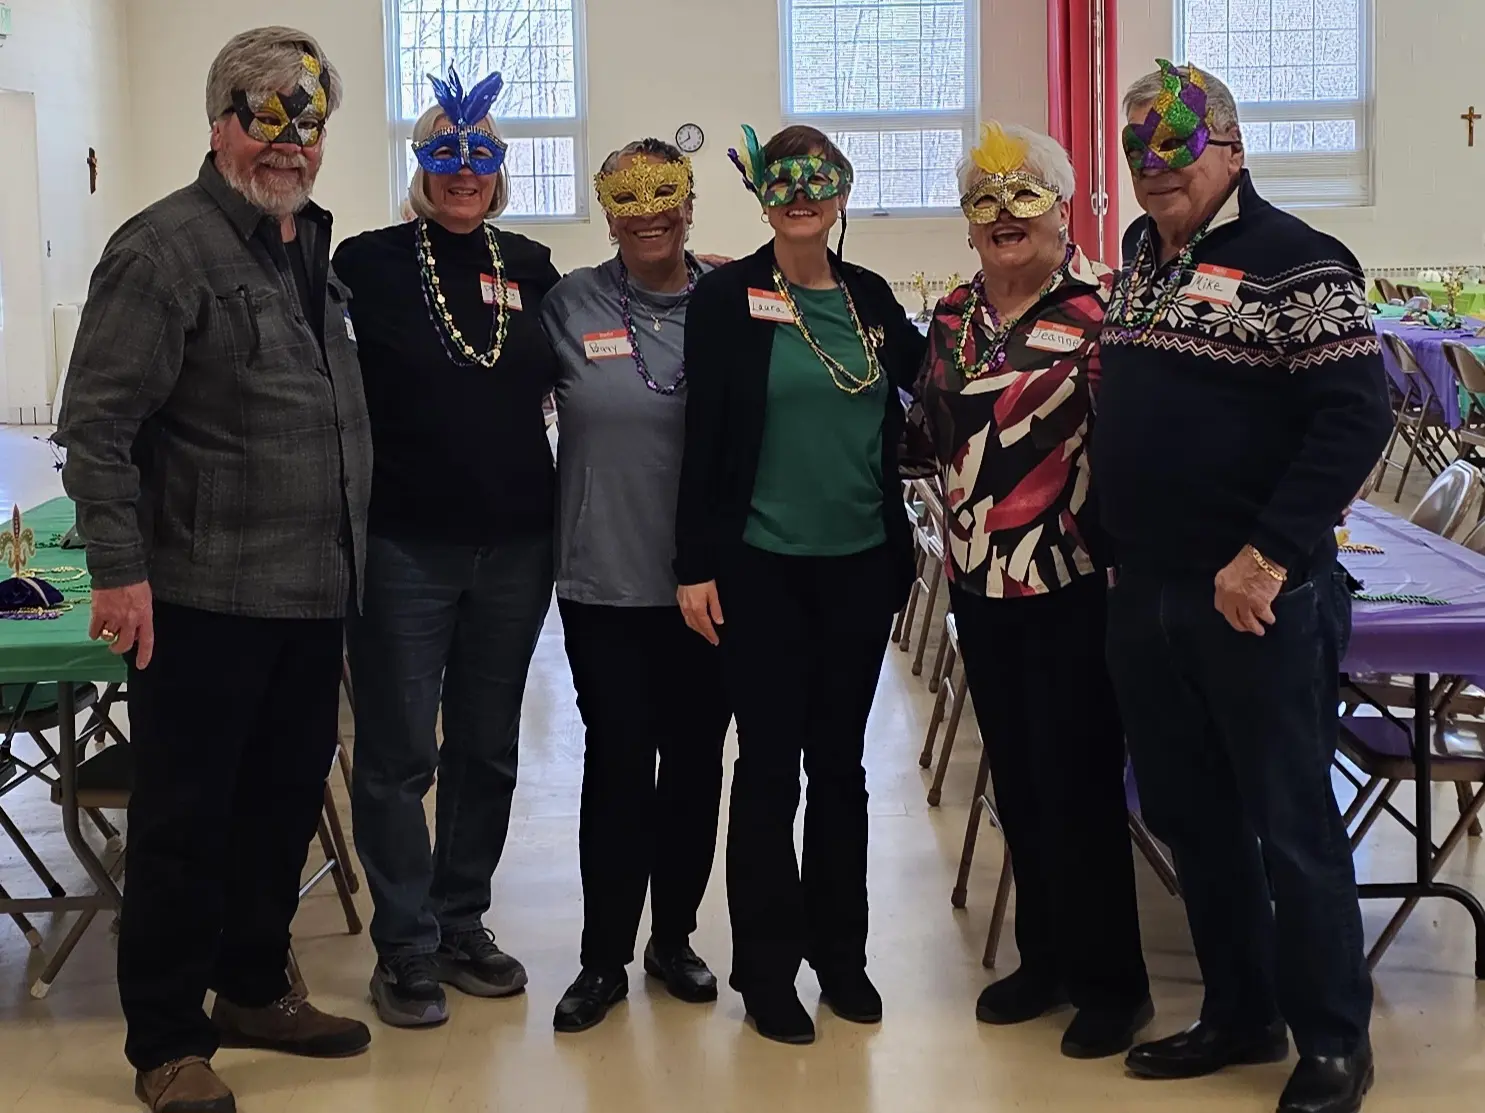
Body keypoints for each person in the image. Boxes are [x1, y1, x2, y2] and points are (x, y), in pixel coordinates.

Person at [55, 27, 373, 1113]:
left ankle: (252, 986)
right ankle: (165, 1040)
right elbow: (98, 426)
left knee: (281, 807)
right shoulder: (162, 250)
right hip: (200, 596)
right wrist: (118, 570)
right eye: (266, 115)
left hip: (310, 591)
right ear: (221, 121)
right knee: (185, 822)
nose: (290, 141)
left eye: (309, 120)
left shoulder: (309, 246)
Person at [1093, 61, 1392, 1113]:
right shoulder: (1138, 260)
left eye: (1177, 143)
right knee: (1192, 816)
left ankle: (1334, 1039)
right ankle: (1239, 1010)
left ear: (1231, 147)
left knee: (1289, 821)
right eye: (1136, 147)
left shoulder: (1297, 259)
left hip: (1255, 597)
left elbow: (1356, 416)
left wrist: (1265, 553)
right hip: (1151, 590)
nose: (1155, 166)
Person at [675, 124, 927, 1045]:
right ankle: (766, 967)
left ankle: (841, 955)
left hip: (858, 563)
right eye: (782, 183)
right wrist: (693, 563)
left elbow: (937, 380)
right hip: (760, 567)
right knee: (769, 768)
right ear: (762, 195)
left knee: (841, 768)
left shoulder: (869, 297)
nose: (801, 197)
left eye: (818, 181)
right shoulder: (724, 298)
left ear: (842, 192)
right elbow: (703, 435)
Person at [907, 122, 1152, 1059]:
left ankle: (1112, 984)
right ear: (966, 220)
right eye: (984, 198)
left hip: (1073, 581)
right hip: (978, 582)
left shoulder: (1105, 309)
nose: (1003, 214)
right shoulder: (952, 315)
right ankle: (1042, 956)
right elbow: (924, 434)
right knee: (1015, 776)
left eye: (1023, 195)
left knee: (1079, 782)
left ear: (1063, 206)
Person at [332, 67, 559, 1029]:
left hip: (516, 544)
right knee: (396, 754)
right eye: (445, 153)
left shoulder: (532, 267)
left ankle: (461, 920)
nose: (464, 171)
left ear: (499, 169)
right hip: (404, 547)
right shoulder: (369, 261)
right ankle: (405, 943)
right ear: (421, 164)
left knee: (486, 745)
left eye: (481, 155)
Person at [537, 139, 732, 1033]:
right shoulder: (568, 303)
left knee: (694, 766)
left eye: (665, 194)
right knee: (617, 765)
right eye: (628, 197)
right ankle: (602, 956)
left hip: (710, 586)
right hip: (603, 582)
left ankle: (675, 938)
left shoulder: (730, 300)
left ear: (689, 203)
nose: (648, 211)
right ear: (606, 211)